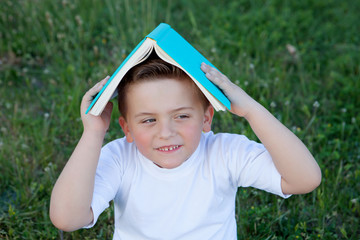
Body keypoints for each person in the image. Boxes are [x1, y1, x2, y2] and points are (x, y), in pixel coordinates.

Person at [50, 58, 321, 239]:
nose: (166, 132)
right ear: (127, 129)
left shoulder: (224, 152)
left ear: (206, 118)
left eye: (181, 116)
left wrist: (250, 109)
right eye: (148, 120)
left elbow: (304, 179)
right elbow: (67, 218)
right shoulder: (119, 157)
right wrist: (93, 133)